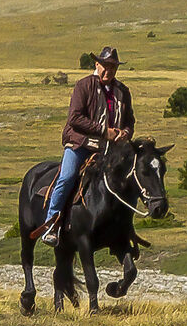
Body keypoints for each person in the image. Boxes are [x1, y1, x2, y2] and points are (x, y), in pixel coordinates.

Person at [40, 45, 133, 243]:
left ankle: (123, 228)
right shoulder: (84, 86)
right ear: (97, 64)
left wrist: (125, 133)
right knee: (67, 176)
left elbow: (130, 121)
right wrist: (103, 131)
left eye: (113, 67)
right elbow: (74, 118)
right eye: (105, 66)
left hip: (110, 149)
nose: (109, 71)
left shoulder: (123, 91)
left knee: (130, 179)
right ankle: (51, 224)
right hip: (80, 143)